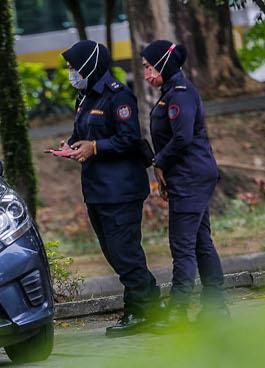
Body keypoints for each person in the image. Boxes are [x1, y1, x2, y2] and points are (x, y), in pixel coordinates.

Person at [55, 40, 163, 337]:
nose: (70, 72)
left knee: (125, 253)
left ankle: (146, 311)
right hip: (98, 190)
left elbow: (129, 138)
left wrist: (95, 147)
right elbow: (82, 135)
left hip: (121, 191)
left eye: (73, 67)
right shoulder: (85, 98)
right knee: (116, 255)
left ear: (89, 65)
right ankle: (146, 308)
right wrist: (70, 146)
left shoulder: (118, 96)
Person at [141, 40, 229, 323]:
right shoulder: (172, 92)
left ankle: (178, 311)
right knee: (201, 241)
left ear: (163, 65)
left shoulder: (179, 94)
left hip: (190, 176)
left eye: (148, 67)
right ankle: (215, 308)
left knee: (182, 244)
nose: (145, 73)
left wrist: (159, 163)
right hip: (189, 174)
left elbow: (182, 138)